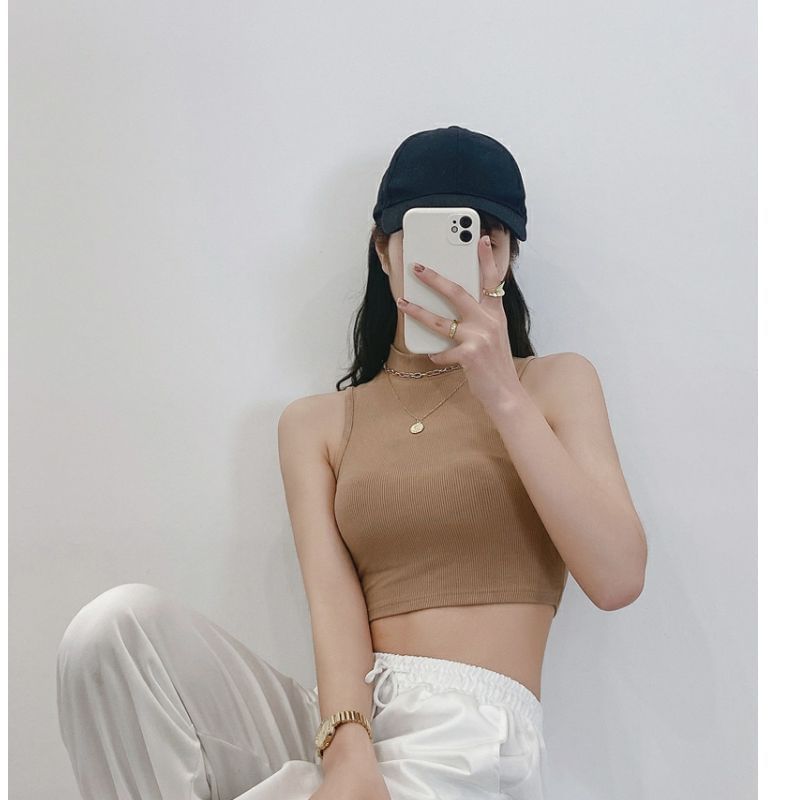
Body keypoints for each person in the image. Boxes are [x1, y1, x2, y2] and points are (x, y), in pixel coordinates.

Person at [56, 125, 648, 800]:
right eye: (428, 237)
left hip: (469, 741)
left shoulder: (555, 384)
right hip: (344, 722)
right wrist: (347, 754)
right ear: (383, 249)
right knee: (114, 630)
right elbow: (333, 606)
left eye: (486, 238)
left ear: (508, 259)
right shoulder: (317, 424)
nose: (463, 258)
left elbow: (617, 576)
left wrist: (501, 392)